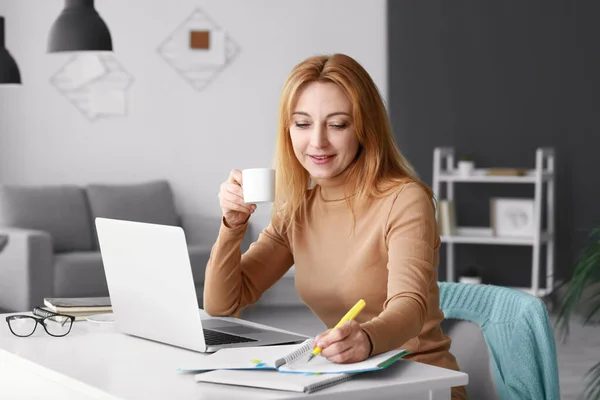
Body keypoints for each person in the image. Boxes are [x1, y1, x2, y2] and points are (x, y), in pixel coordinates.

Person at [204, 53, 467, 400]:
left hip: (419, 381)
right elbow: (222, 305)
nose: (318, 142)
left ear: (364, 128)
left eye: (338, 124)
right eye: (302, 123)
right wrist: (232, 226)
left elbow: (410, 307)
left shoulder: (405, 199)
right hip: (350, 379)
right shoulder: (297, 207)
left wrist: (367, 338)